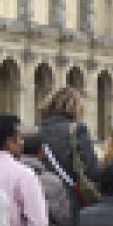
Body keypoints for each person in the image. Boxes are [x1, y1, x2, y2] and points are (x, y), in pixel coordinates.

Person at [37, 86, 101, 215]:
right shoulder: (77, 130)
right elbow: (92, 169)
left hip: (40, 195)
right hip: (69, 199)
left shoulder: (37, 130)